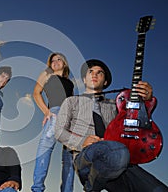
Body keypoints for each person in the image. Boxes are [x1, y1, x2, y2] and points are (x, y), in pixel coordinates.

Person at [55, 59, 168, 192]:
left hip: (118, 160)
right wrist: (82, 141)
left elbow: (136, 121)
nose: (94, 75)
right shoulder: (71, 101)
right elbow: (58, 131)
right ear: (84, 80)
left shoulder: (117, 106)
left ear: (106, 82)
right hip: (86, 157)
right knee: (119, 152)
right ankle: (91, 186)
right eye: (90, 72)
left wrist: (146, 99)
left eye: (100, 73)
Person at [31, 52, 74, 192]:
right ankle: (37, 188)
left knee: (69, 157)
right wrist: (46, 111)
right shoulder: (47, 75)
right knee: (45, 148)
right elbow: (36, 93)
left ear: (64, 63)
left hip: (71, 117)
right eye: (52, 60)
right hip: (55, 112)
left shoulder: (70, 83)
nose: (55, 62)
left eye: (59, 59)